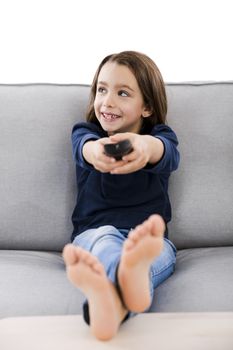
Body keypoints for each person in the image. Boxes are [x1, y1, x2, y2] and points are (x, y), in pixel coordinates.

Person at [63, 51, 180, 341]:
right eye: (102, 90)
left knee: (149, 258)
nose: (108, 101)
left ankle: (111, 301)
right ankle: (127, 282)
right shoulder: (87, 133)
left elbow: (164, 151)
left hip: (150, 241)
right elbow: (86, 148)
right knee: (106, 243)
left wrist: (143, 146)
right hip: (93, 234)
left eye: (123, 93)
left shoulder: (160, 136)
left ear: (147, 107)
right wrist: (98, 153)